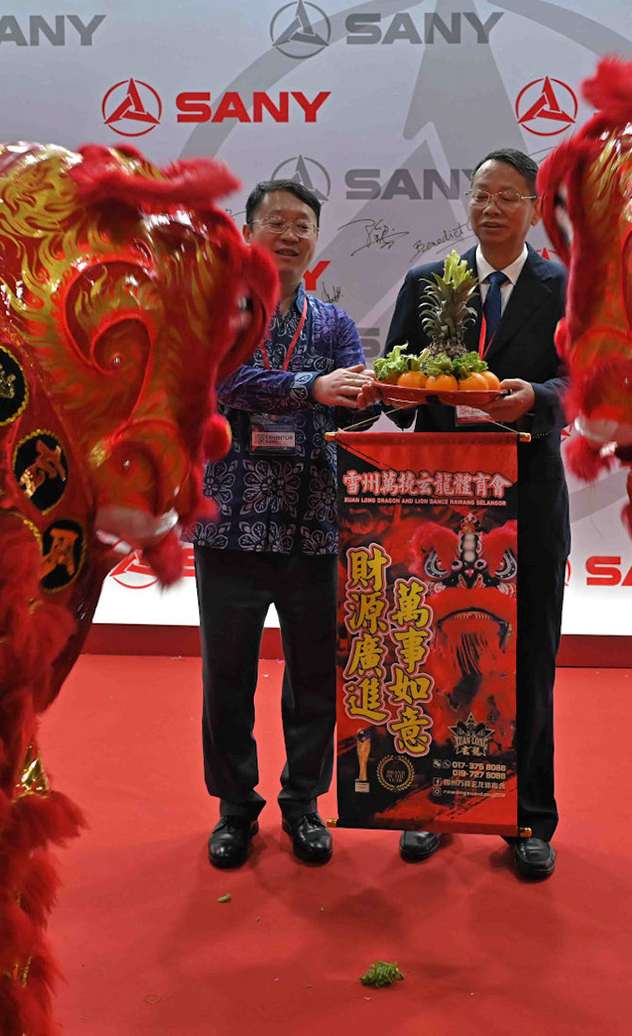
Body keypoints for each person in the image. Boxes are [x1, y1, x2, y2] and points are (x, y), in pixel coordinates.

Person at [379, 147, 570, 881]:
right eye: (481, 194)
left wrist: (538, 399)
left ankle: (529, 818)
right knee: (434, 655)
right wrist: (393, 394)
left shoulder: (564, 287)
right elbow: (397, 375)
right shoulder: (429, 281)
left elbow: (585, 379)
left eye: (507, 196)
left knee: (527, 662)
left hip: (527, 499)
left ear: (534, 208)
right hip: (437, 499)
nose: (491, 208)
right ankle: (433, 806)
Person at [193, 178, 372, 869]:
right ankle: (235, 806)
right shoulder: (217, 311)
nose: (291, 234)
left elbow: (354, 408)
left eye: (303, 224)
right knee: (227, 677)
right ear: (248, 233)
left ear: (316, 240)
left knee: (315, 677)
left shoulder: (334, 325)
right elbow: (223, 384)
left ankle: (304, 802)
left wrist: (376, 394)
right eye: (277, 221)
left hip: (314, 523)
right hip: (229, 523)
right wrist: (312, 388)